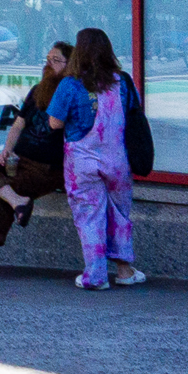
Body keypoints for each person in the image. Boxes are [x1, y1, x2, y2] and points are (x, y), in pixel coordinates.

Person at [0, 42, 71, 278]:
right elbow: (18, 124)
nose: (49, 64)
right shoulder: (38, 90)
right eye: (47, 58)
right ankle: (18, 201)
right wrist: (6, 150)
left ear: (70, 66)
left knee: (4, 194)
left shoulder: (71, 92)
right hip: (20, 160)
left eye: (56, 60)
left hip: (48, 169)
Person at [48, 26, 144, 290]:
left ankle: (96, 275)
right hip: (118, 161)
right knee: (120, 214)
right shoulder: (122, 82)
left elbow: (55, 123)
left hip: (82, 162)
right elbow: (134, 115)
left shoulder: (70, 84)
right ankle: (124, 271)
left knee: (89, 215)